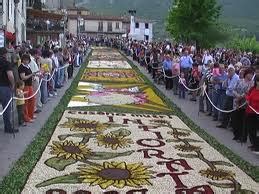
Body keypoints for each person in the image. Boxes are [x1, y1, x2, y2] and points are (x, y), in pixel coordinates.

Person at [232, 68, 254, 142]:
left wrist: (240, 97)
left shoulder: (252, 83)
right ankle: (236, 135)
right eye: (249, 74)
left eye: (252, 74)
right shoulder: (239, 80)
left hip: (244, 104)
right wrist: (237, 96)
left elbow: (248, 92)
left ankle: (243, 137)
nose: (251, 75)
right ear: (246, 74)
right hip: (236, 103)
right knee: (236, 120)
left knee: (243, 122)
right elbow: (233, 90)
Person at [0, 48, 17, 133]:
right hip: (4, 87)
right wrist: (13, 84)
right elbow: (10, 75)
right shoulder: (6, 63)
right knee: (6, 108)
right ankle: (8, 127)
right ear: (5, 54)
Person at [18, 54, 36, 123]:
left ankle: (31, 114)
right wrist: (31, 74)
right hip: (24, 86)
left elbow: (30, 74)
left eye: (27, 60)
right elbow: (23, 77)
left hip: (30, 85)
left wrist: (34, 75)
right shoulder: (21, 67)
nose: (26, 61)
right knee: (26, 102)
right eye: (25, 60)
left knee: (32, 100)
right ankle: (26, 117)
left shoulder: (28, 66)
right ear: (23, 60)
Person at [245, 76, 259, 153]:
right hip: (250, 112)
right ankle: (253, 143)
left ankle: (257, 145)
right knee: (251, 129)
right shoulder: (252, 89)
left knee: (256, 130)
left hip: (257, 113)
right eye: (257, 81)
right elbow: (247, 95)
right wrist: (247, 99)